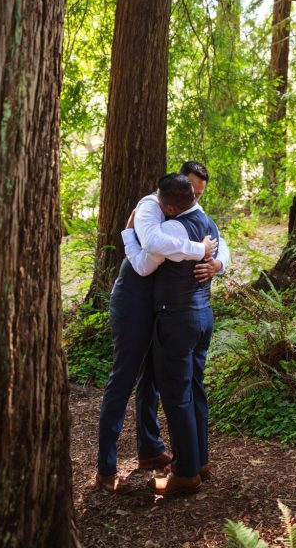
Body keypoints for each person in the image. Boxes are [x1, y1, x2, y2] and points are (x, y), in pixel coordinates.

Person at [96, 167, 228, 492]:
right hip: (133, 302)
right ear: (178, 190)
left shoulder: (189, 213)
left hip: (162, 308)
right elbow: (144, 261)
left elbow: (220, 241)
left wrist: (217, 262)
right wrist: (199, 250)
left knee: (154, 379)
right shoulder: (148, 210)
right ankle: (105, 467)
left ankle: (151, 450)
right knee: (124, 378)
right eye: (194, 193)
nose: (197, 198)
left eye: (200, 194)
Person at [146, 173, 221, 497]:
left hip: (177, 318)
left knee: (177, 396)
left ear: (172, 207)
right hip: (203, 316)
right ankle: (200, 461)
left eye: (161, 204)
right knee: (194, 388)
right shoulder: (208, 222)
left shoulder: (173, 228)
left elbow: (150, 250)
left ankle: (185, 472)